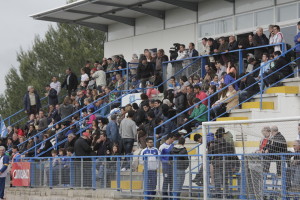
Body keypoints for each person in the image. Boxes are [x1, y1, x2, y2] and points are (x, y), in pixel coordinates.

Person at [208, 129, 238, 198]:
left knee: (217, 180)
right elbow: (233, 156)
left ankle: (218, 194)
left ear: (216, 137)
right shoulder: (229, 145)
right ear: (223, 136)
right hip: (227, 164)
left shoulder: (213, 145)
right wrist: (233, 165)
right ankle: (226, 194)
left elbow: (209, 154)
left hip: (217, 164)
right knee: (225, 180)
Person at [159, 133, 175, 199]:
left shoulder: (173, 146)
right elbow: (159, 157)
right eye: (173, 139)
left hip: (172, 167)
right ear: (169, 138)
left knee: (172, 181)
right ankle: (164, 197)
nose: (173, 140)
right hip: (165, 167)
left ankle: (171, 196)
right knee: (166, 181)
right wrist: (166, 161)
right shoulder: (162, 146)